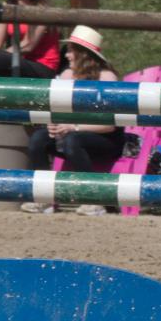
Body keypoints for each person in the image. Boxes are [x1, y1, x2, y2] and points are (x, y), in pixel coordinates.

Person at [22, 26, 127, 215]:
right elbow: (57, 111)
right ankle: (43, 197)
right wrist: (53, 124)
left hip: (106, 139)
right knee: (39, 138)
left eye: (71, 50)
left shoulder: (107, 78)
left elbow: (109, 126)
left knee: (73, 140)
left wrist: (72, 127)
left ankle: (94, 199)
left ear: (84, 55)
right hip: (74, 135)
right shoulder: (66, 76)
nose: (67, 55)